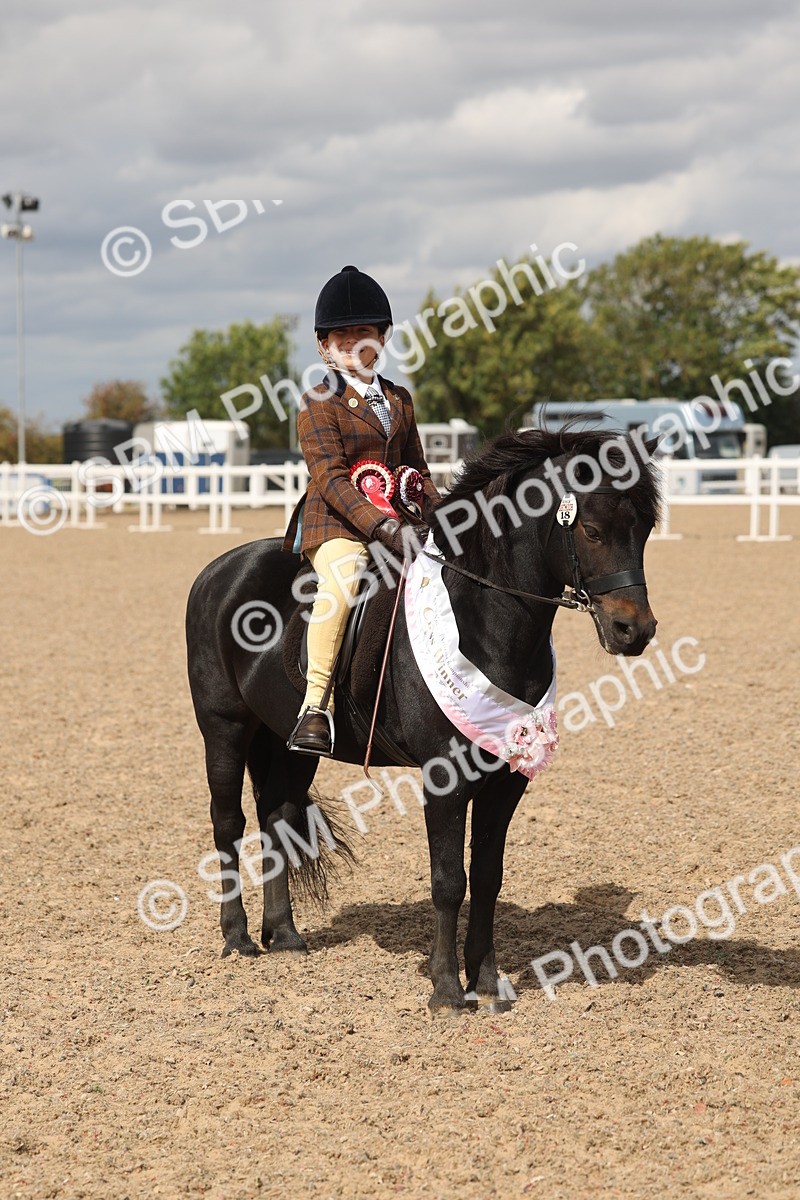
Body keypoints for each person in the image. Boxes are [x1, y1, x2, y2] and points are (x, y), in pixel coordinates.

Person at [282, 265, 441, 756]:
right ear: (325, 346)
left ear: (383, 338)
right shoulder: (318, 402)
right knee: (344, 580)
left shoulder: (400, 398)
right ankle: (316, 708)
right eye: (343, 336)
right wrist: (383, 527)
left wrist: (442, 515)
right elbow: (329, 478)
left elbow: (416, 469)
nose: (354, 343)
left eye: (364, 334)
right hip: (337, 525)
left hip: (399, 521)